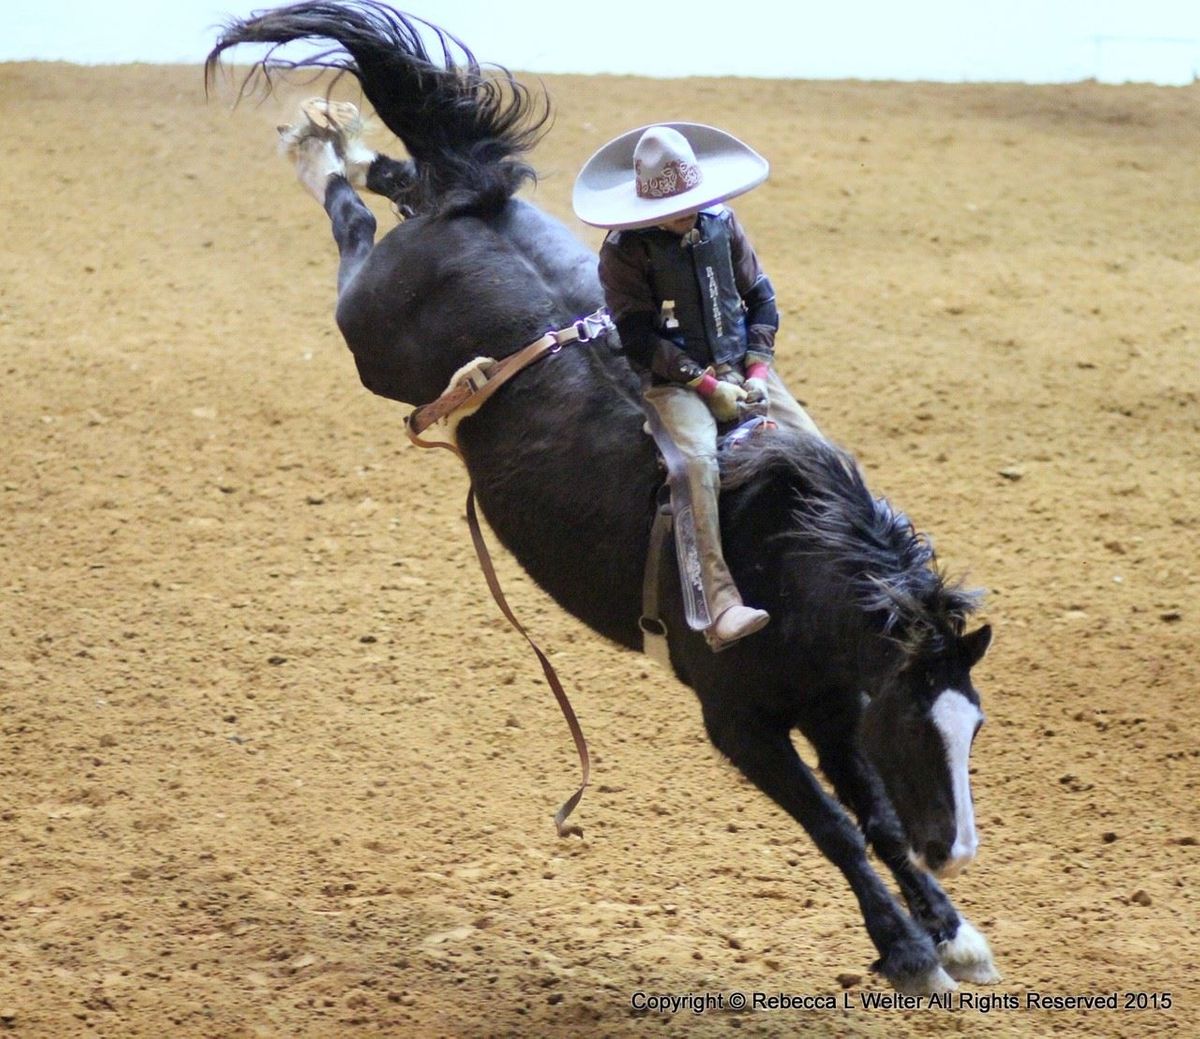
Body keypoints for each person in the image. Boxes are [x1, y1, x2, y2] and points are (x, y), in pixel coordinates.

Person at [573, 123, 822, 651]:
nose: (691, 209)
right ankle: (717, 600)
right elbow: (639, 339)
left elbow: (760, 298)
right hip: (675, 384)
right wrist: (706, 385)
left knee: (817, 448)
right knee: (695, 465)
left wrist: (755, 370)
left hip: (742, 367)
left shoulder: (722, 224)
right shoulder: (624, 253)